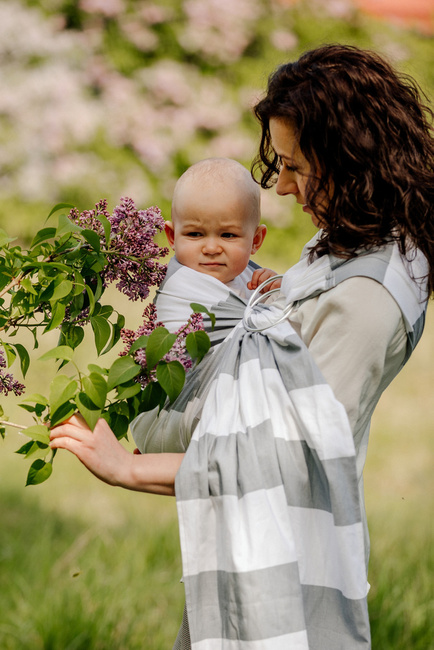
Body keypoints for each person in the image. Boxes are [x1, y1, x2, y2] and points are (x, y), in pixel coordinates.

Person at [50, 44, 434, 649]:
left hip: (286, 563)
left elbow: (277, 462)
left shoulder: (368, 298)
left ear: (350, 158)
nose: (281, 186)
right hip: (251, 540)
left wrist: (128, 468)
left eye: (296, 166)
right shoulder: (348, 243)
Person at [154, 157, 279, 334]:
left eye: (228, 235)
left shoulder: (252, 279)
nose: (211, 249)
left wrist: (275, 291)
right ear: (172, 236)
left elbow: (284, 323)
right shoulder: (177, 291)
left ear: (256, 240)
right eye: (195, 234)